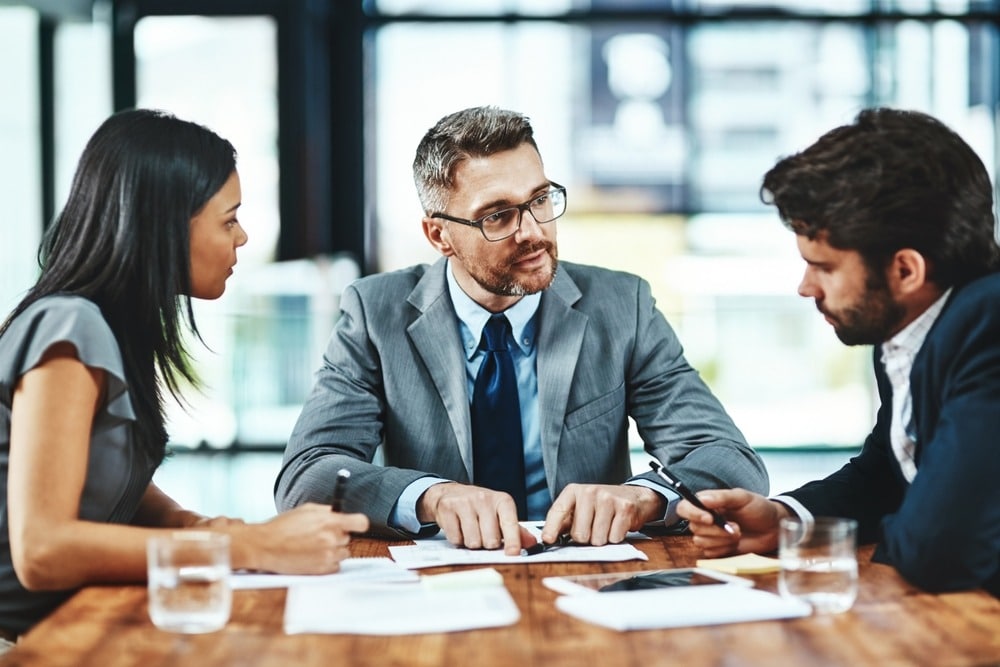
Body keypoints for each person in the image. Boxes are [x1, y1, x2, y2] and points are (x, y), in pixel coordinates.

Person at [275, 105, 768, 555]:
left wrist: (643, 498)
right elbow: (309, 475)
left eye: (540, 200)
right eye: (498, 215)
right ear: (439, 235)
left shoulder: (622, 305)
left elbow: (729, 460)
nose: (533, 230)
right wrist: (430, 496)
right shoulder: (375, 313)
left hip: (588, 576)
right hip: (442, 583)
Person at [0, 109, 370, 647]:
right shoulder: (69, 326)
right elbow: (42, 552)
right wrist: (249, 550)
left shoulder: (111, 327)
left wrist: (212, 529)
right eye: (228, 219)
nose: (242, 237)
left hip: (69, 624)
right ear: (165, 225)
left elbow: (105, 473)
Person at [676, 108, 1000, 597]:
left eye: (822, 267)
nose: (805, 287)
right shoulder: (911, 326)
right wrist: (785, 519)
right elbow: (889, 474)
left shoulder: (987, 324)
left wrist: (896, 532)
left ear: (905, 270)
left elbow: (938, 548)